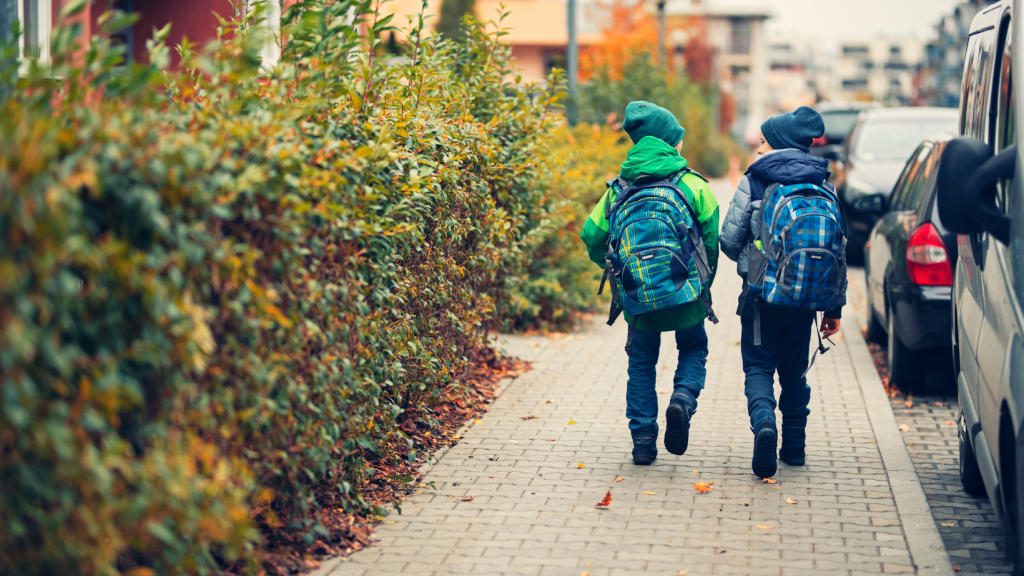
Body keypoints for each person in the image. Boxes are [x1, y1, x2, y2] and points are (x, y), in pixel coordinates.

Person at [580, 101, 720, 465]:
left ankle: (643, 442)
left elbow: (591, 236)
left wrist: (623, 272)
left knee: (641, 363)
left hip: (638, 296)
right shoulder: (692, 184)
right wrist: (702, 286)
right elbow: (711, 241)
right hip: (686, 294)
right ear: (670, 142)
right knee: (693, 349)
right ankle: (682, 401)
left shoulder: (617, 189)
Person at [719, 106, 846, 478]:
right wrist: (833, 307)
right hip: (806, 301)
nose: (759, 148)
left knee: (758, 365)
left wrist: (755, 263)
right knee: (794, 372)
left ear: (777, 143)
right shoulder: (824, 183)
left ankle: (764, 426)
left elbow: (728, 240)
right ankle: (795, 447)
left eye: (763, 140)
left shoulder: (756, 180)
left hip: (761, 295)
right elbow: (837, 250)